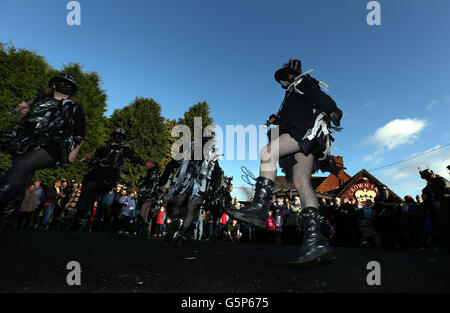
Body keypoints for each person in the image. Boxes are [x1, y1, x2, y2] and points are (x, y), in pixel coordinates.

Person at [228, 59, 343, 266]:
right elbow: (294, 112)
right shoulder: (290, 94)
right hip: (304, 139)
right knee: (301, 182)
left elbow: (319, 96)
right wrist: (277, 120)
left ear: (292, 74)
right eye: (281, 78)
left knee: (267, 153)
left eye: (284, 76)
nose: (281, 80)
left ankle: (260, 209)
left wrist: (333, 109)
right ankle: (314, 241)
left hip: (304, 132)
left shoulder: (302, 82)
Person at [0, 73, 85, 236]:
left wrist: (74, 152)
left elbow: (80, 133)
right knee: (21, 178)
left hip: (53, 146)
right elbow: (19, 124)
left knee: (22, 165)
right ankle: (5, 222)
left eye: (70, 85)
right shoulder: (39, 100)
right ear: (54, 84)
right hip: (27, 143)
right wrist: (21, 114)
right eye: (63, 83)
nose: (66, 86)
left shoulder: (74, 107)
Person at [57, 128, 154, 232]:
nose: (118, 138)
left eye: (121, 136)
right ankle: (81, 220)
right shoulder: (103, 147)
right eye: (116, 135)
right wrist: (89, 158)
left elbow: (133, 157)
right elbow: (96, 158)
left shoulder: (123, 149)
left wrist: (144, 163)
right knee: (88, 193)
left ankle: (76, 215)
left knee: (90, 188)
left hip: (107, 179)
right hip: (94, 176)